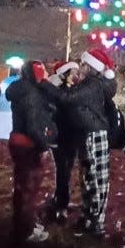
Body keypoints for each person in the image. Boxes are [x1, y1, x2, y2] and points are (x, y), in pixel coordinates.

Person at [59, 47, 117, 238]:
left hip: (94, 134)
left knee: (95, 178)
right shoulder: (90, 83)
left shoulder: (91, 85)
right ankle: (89, 216)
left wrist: (47, 83)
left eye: (83, 64)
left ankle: (95, 222)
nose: (80, 67)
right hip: (89, 133)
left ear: (90, 66)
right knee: (88, 177)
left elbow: (67, 98)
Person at [6, 60, 59, 243]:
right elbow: (34, 125)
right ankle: (25, 230)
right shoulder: (32, 94)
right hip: (29, 145)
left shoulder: (18, 89)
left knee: (21, 187)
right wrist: (44, 145)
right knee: (30, 188)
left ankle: (20, 223)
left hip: (17, 141)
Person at [45, 60, 79, 221]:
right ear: (64, 75)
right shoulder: (59, 93)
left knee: (66, 169)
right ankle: (61, 205)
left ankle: (59, 198)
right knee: (62, 170)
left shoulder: (73, 90)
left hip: (71, 136)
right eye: (72, 73)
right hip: (60, 136)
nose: (76, 76)